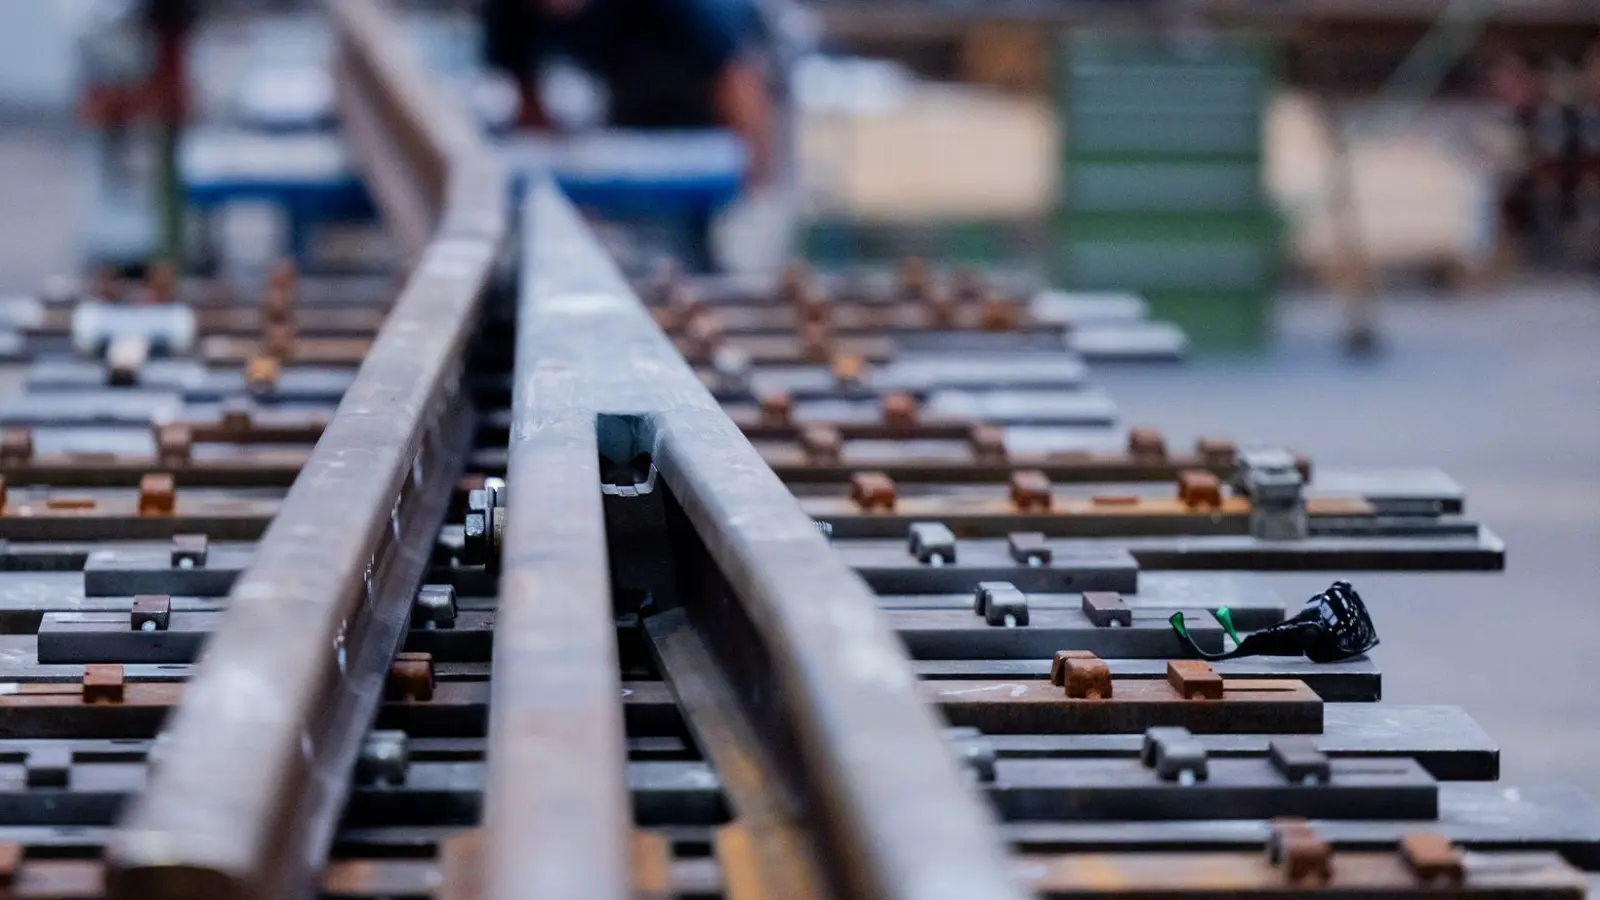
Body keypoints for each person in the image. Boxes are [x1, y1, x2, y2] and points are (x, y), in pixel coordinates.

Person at [482, 0, 775, 187]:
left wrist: (755, 171)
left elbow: (736, 78)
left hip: (720, 68)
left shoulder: (687, 15)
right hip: (628, 81)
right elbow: (528, 102)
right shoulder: (509, 11)